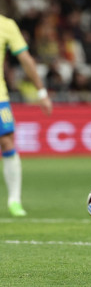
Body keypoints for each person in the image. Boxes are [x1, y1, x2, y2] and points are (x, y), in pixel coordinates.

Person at [1, 14, 53, 216]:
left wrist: (41, 92)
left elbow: (25, 58)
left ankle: (14, 201)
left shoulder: (6, 25)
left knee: (7, 142)